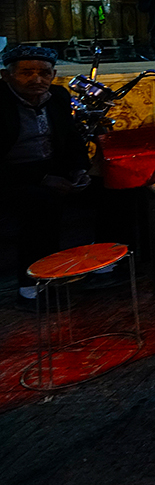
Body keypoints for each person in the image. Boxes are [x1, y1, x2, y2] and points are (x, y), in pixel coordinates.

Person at [0, 45, 92, 308]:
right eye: (26, 73)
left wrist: (80, 170)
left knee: (113, 185)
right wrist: (41, 180)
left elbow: (72, 140)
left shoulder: (58, 97)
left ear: (53, 75)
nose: (36, 80)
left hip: (52, 168)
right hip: (9, 177)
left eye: (44, 73)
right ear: (6, 76)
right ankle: (30, 287)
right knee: (41, 201)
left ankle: (107, 267)